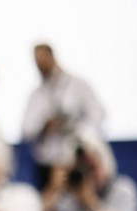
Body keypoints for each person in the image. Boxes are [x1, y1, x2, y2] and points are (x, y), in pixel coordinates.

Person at [22, 44, 106, 190]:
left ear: (52, 56)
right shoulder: (36, 95)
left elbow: (98, 114)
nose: (40, 66)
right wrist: (44, 126)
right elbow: (26, 130)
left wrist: (77, 132)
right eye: (37, 62)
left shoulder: (78, 85)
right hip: (49, 166)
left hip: (79, 160)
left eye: (42, 60)